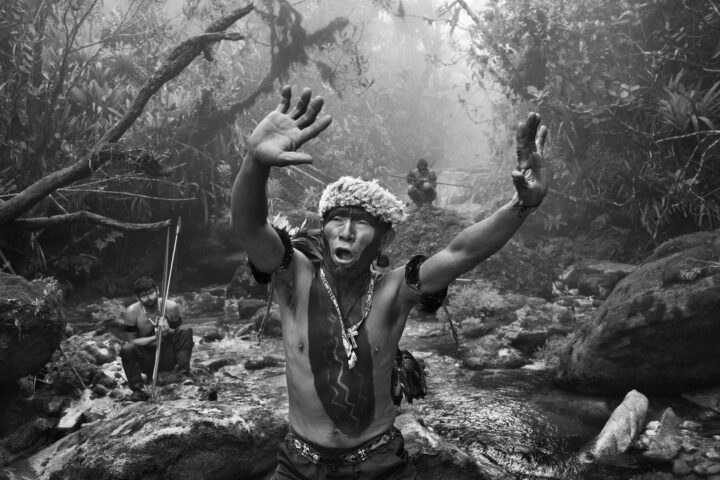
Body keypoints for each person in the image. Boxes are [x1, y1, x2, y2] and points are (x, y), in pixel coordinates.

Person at [231, 85, 547, 479]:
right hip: (299, 464)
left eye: (361, 222)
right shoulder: (293, 276)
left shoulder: (395, 290)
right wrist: (254, 162)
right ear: (323, 227)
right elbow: (249, 226)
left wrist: (523, 204)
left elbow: (461, 253)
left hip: (377, 464)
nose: (345, 232)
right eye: (336, 219)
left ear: (386, 238)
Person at [119, 276, 194, 401]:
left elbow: (179, 334)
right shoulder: (132, 312)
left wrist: (167, 330)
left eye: (151, 293)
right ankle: (138, 390)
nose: (149, 299)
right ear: (138, 298)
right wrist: (155, 337)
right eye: (144, 296)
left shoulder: (170, 307)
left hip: (168, 356)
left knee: (186, 330)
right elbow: (131, 342)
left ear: (157, 290)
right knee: (127, 349)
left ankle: (183, 375)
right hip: (147, 360)